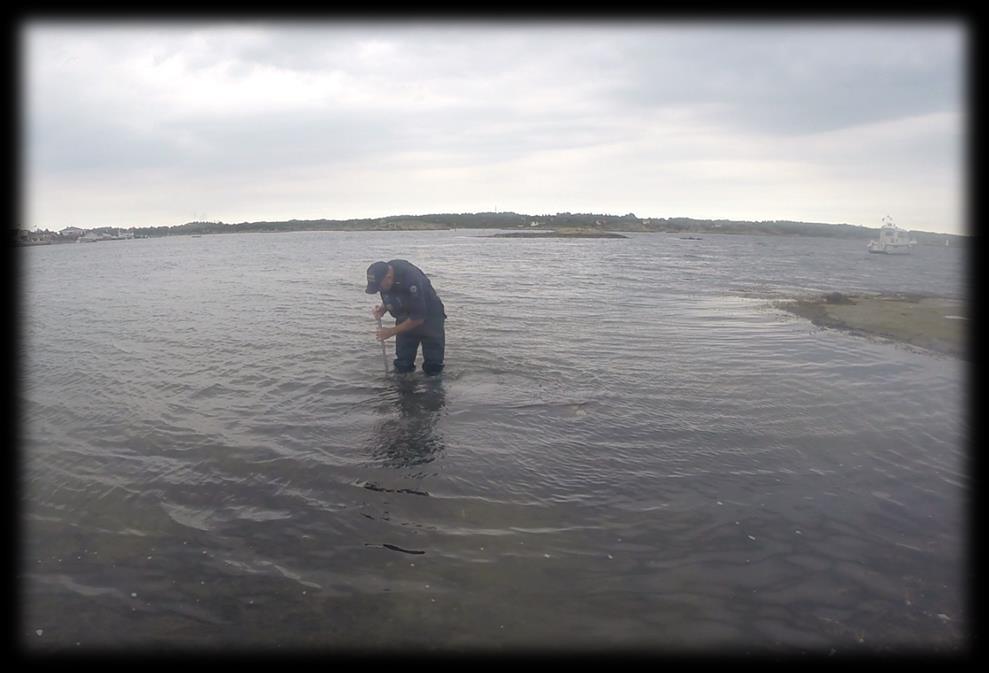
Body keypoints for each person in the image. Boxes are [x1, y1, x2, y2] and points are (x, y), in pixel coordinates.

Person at [365, 259, 447, 376]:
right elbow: (394, 295)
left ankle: (434, 391)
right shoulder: (385, 272)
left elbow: (418, 317)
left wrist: (390, 332)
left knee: (433, 367)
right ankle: (403, 391)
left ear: (388, 277)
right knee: (402, 365)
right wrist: (384, 308)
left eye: (379, 287)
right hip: (405, 316)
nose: (379, 290)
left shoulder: (411, 278)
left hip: (430, 318)